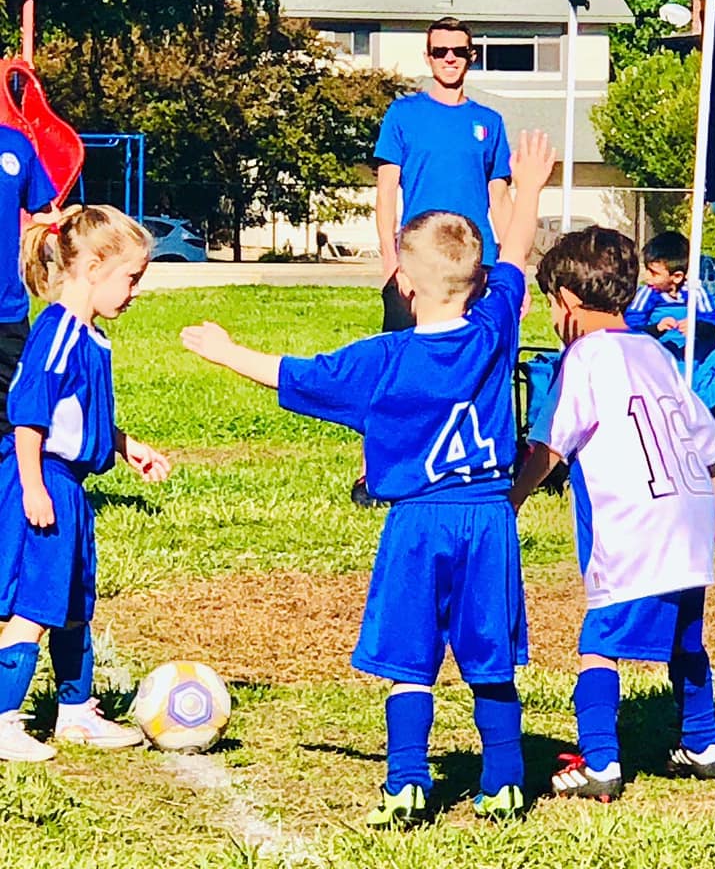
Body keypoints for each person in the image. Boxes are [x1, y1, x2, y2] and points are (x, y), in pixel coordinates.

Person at [182, 131, 555, 826]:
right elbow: (517, 256)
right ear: (476, 283)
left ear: (405, 283)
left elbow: (292, 374)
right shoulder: (495, 327)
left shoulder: (381, 359)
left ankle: (407, 784)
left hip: (417, 521)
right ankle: (504, 781)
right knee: (489, 657)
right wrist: (527, 190)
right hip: (489, 517)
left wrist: (227, 350)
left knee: (410, 660)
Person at [510, 226, 715, 802]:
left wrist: (510, 500)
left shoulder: (583, 356)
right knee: (686, 635)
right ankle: (704, 743)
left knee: (598, 642)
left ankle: (600, 762)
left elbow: (552, 447)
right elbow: (709, 440)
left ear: (569, 304)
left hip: (634, 528)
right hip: (686, 520)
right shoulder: (655, 352)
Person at [0, 204, 171, 762]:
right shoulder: (57, 331)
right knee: (35, 604)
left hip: (69, 483)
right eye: (131, 277)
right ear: (93, 267)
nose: (135, 291)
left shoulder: (88, 335)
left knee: (74, 602)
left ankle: (75, 713)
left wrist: (126, 447)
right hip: (45, 477)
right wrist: (32, 487)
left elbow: (82, 414)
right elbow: (29, 415)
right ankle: (3, 717)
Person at [351, 15, 514, 506]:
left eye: (458, 51)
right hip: (418, 264)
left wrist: (511, 270)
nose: (449, 59)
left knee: (483, 363)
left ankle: (479, 461)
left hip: (476, 265)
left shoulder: (490, 123)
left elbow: (501, 198)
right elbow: (385, 195)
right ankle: (374, 472)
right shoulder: (403, 116)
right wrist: (391, 260)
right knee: (399, 366)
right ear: (427, 57)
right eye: (440, 51)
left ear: (471, 57)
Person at [0, 124, 60, 436]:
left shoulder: (14, 145)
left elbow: (45, 219)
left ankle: (17, 483)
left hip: (7, 312)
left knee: (17, 414)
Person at [624, 231, 715, 369]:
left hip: (691, 361)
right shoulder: (646, 293)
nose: (646, 277)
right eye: (646, 270)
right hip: (655, 360)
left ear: (677, 276)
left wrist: (697, 327)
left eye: (654, 273)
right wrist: (656, 328)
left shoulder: (695, 292)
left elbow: (713, 327)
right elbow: (632, 328)